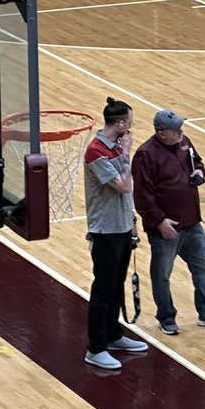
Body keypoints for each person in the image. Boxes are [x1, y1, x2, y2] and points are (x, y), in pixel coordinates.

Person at [131, 109, 205, 334]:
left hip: (192, 223)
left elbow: (197, 161)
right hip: (166, 229)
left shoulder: (184, 142)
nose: (180, 131)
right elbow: (142, 196)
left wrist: (199, 172)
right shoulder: (146, 155)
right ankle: (166, 317)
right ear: (161, 133)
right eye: (175, 128)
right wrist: (160, 222)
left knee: (204, 269)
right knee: (162, 276)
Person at [84, 97, 149, 371]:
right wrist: (126, 154)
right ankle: (96, 349)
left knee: (116, 287)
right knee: (103, 290)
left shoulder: (113, 149)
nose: (131, 128)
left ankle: (113, 335)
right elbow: (122, 186)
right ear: (120, 124)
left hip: (121, 228)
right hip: (105, 232)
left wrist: (132, 221)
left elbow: (126, 195)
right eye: (130, 123)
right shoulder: (96, 151)